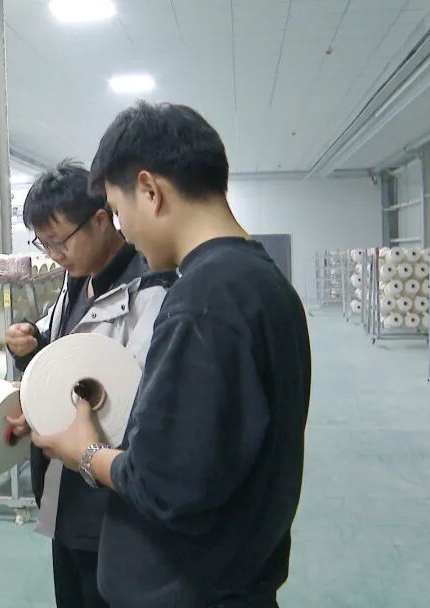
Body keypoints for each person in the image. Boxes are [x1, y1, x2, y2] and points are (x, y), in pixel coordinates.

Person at [33, 101, 312, 608]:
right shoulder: (263, 284)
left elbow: (164, 485)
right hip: (237, 574)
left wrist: (87, 453)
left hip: (193, 588)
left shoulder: (203, 301)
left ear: (150, 190)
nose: (124, 230)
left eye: (119, 212)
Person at [4, 159, 173, 608]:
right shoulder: (76, 281)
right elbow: (63, 354)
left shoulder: (150, 289)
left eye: (61, 241)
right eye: (44, 243)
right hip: (66, 492)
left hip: (112, 496)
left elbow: (135, 395)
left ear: (102, 220)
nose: (55, 254)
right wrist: (30, 342)